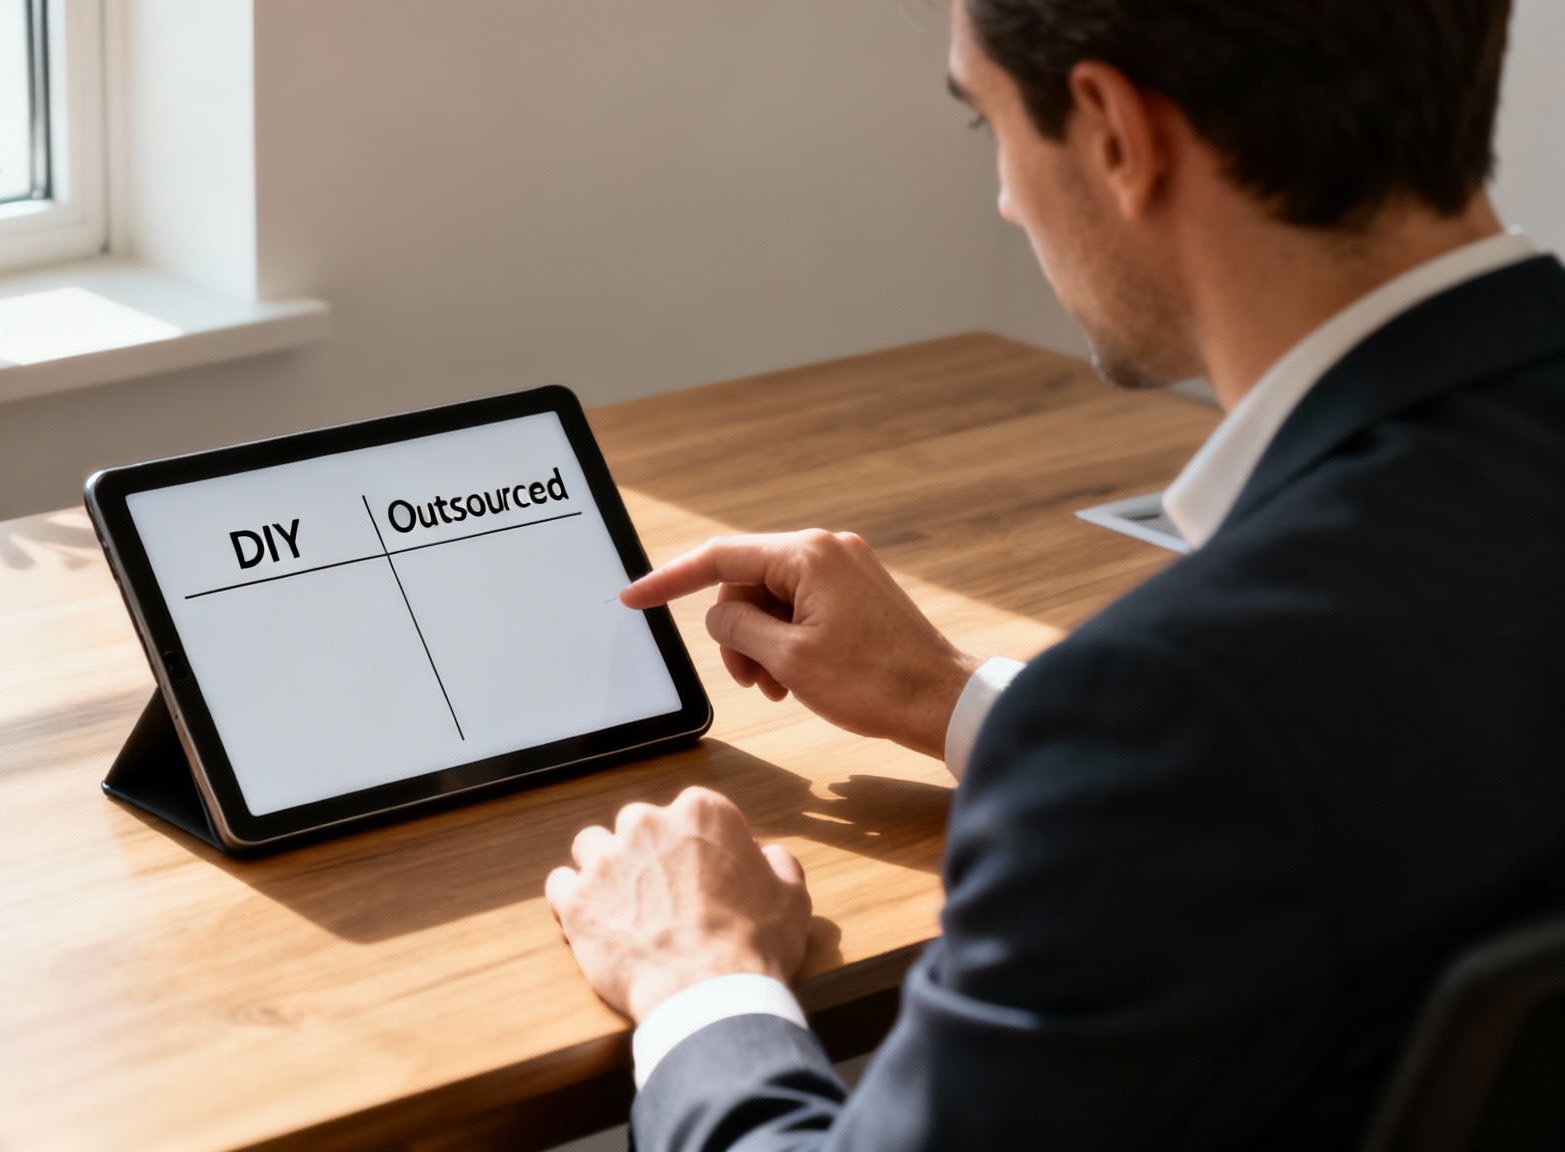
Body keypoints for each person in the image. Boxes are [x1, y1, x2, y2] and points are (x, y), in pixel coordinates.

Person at [543, 0, 1565, 1147]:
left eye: (986, 125)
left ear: (1115, 133)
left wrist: (696, 975)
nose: (1003, 200)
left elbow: (1224, 752)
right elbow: (1394, 734)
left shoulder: (1173, 711)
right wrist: (953, 697)